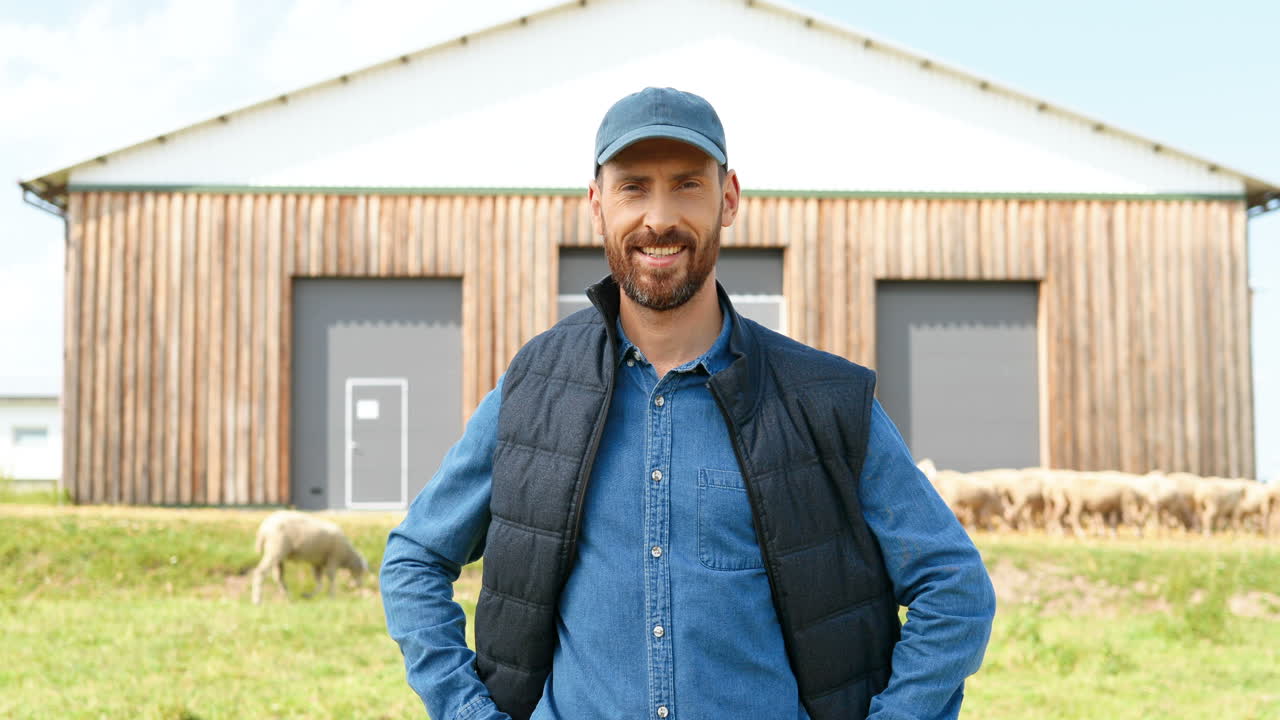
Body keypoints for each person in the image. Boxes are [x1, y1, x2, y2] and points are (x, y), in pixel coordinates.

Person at [381, 87, 996, 720]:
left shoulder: (826, 402)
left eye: (686, 185)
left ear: (728, 198)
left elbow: (955, 591)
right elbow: (415, 560)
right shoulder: (534, 387)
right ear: (596, 205)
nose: (659, 217)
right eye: (633, 188)